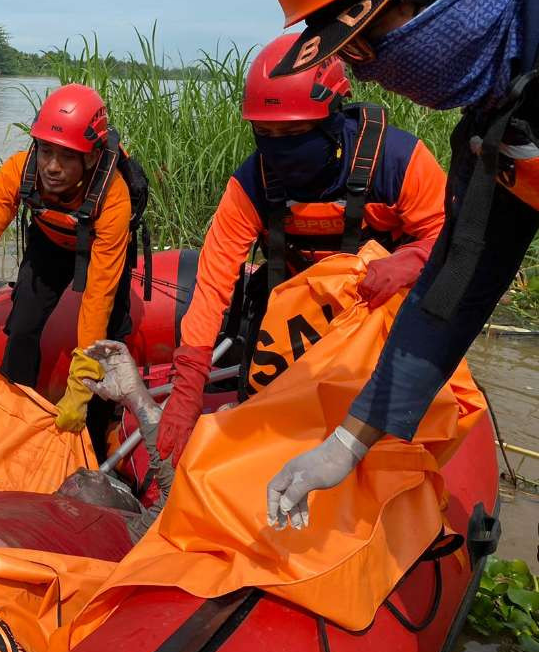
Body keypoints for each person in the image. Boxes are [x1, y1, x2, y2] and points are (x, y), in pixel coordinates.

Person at [259, 0, 537, 528]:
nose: (364, 74)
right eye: (345, 53)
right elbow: (452, 291)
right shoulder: (496, 127)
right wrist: (349, 441)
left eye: (365, 39)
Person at [157, 35, 446, 466]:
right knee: (261, 415)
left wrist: (415, 258)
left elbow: (452, 237)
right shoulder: (251, 184)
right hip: (290, 307)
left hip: (372, 306)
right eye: (267, 133)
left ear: (330, 119)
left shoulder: (396, 161)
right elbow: (214, 281)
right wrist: (187, 387)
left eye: (293, 133)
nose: (279, 147)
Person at [0, 84, 144, 456]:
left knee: (108, 340)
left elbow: (97, 295)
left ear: (93, 156)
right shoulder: (19, 170)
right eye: (46, 150)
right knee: (22, 326)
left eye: (67, 156)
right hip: (49, 243)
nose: (51, 166)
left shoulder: (114, 198)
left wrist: (80, 383)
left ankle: (96, 438)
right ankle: (15, 419)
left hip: (99, 246)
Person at [0, 341, 169, 560]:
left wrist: (136, 396)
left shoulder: (131, 534)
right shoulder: (4, 500)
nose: (86, 470)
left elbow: (180, 490)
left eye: (104, 480)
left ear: (124, 508)